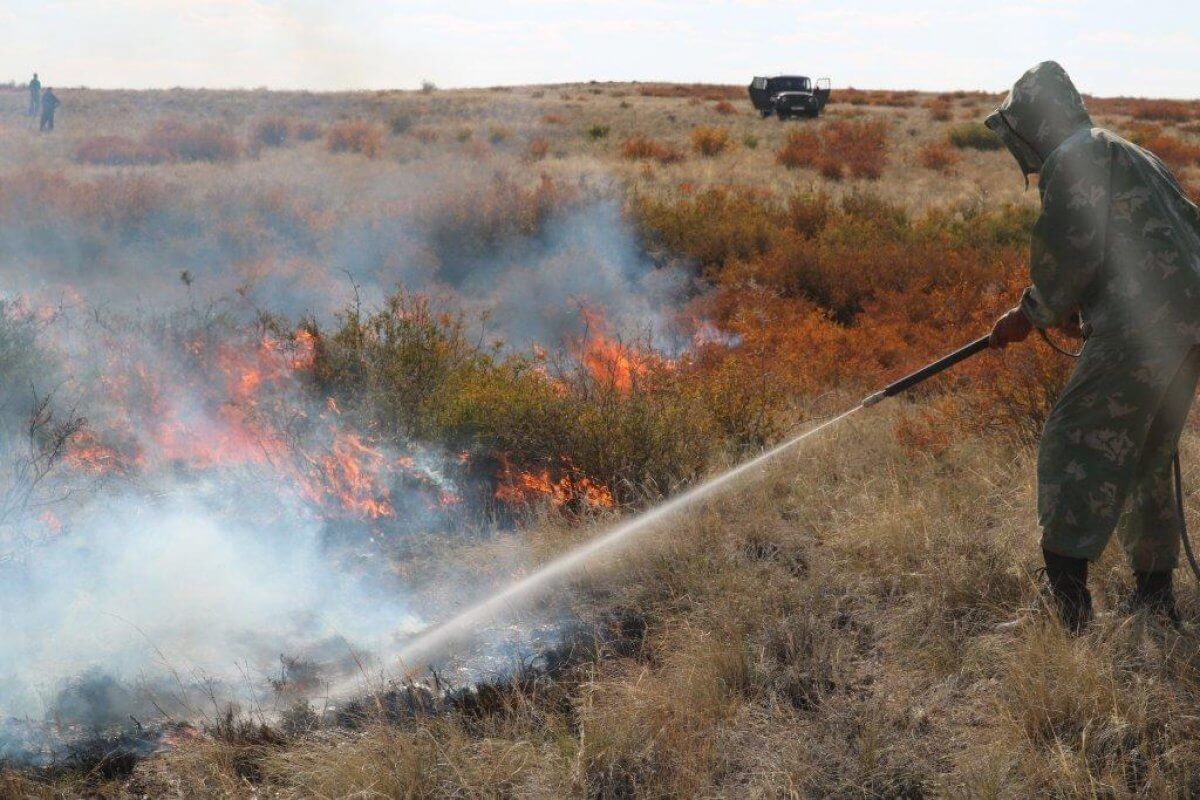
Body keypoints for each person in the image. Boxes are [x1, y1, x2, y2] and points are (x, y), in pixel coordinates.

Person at [988, 61, 1200, 631]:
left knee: (1071, 442)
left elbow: (1073, 250)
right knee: (1148, 456)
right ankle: (1155, 601)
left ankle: (1067, 609)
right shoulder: (1132, 151)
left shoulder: (1073, 155)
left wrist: (1030, 314)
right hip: (1189, 327)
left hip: (1142, 327)